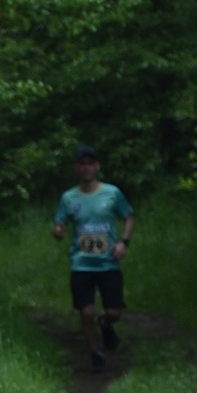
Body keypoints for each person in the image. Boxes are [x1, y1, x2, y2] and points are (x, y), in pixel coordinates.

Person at [52, 146, 135, 371]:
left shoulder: (112, 193)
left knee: (114, 312)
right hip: (82, 264)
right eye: (82, 164)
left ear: (97, 166)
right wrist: (58, 231)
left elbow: (128, 217)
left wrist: (123, 242)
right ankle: (95, 352)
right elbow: (59, 223)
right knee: (85, 311)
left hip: (108, 262)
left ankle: (106, 323)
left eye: (90, 163)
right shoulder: (69, 198)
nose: (86, 168)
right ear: (76, 168)